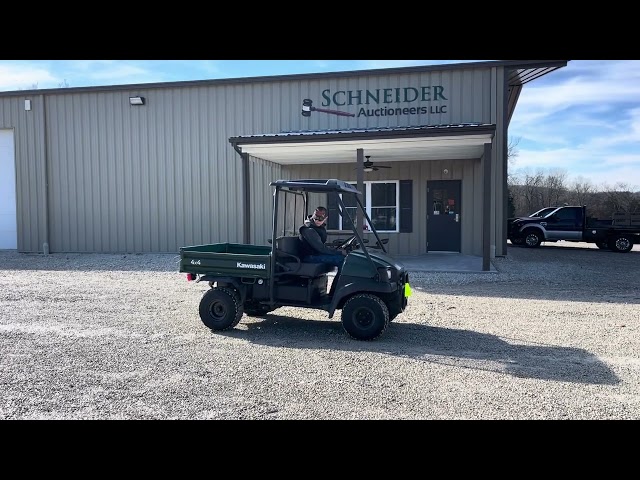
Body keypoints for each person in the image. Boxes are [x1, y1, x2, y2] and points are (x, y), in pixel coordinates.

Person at [298, 206, 347, 293]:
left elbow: (321, 246)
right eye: (316, 218)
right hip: (309, 257)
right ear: (313, 215)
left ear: (325, 219)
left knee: (342, 258)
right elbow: (321, 248)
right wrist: (338, 252)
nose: (317, 220)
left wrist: (336, 250)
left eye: (320, 219)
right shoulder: (309, 229)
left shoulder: (319, 228)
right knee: (342, 260)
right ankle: (336, 292)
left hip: (316, 254)